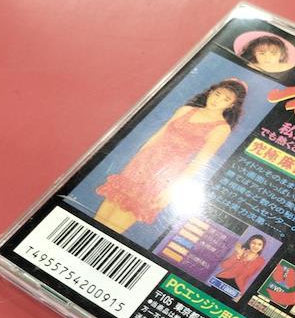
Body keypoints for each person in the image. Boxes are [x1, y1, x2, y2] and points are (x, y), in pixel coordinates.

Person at [94, 79, 247, 233]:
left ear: (231, 105)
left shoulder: (221, 129)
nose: (217, 100)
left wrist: (170, 191)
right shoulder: (186, 110)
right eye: (217, 94)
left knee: (115, 226)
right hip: (141, 164)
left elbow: (199, 162)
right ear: (211, 92)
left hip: (165, 175)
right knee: (100, 217)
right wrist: (132, 164)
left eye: (225, 99)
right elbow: (157, 136)